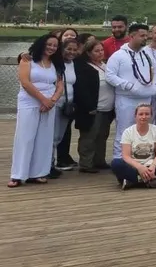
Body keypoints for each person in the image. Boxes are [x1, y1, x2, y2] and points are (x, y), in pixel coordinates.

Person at [9, 34, 64, 187]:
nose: (52, 48)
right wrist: (42, 99)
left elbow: (60, 85)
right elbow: (25, 82)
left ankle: (38, 173)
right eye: (49, 44)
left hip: (49, 104)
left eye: (55, 45)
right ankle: (18, 175)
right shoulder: (28, 60)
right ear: (41, 44)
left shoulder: (56, 63)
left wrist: (52, 101)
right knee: (25, 138)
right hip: (29, 102)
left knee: (44, 139)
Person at [107, 23, 156, 160]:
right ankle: (119, 159)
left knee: (144, 130)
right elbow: (110, 75)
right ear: (131, 36)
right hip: (126, 100)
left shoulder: (147, 55)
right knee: (124, 131)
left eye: (146, 36)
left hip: (146, 99)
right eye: (142, 36)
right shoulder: (118, 55)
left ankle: (141, 158)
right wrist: (128, 85)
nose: (145, 39)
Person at [73, 39, 114, 173]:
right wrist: (89, 106)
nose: (100, 53)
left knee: (102, 136)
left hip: (107, 108)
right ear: (89, 53)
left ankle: (99, 161)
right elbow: (82, 89)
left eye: (102, 50)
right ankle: (86, 163)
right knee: (89, 137)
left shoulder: (106, 65)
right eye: (96, 51)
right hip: (93, 109)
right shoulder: (84, 68)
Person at [111, 104, 156, 190]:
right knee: (116, 163)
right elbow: (126, 156)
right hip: (134, 167)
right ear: (135, 116)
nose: (144, 117)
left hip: (151, 166)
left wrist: (153, 166)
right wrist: (140, 167)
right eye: (141, 114)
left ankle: (134, 181)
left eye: (147, 114)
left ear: (151, 116)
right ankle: (152, 180)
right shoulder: (128, 132)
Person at [51, 38, 79, 175]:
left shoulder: (73, 64)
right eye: (69, 49)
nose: (71, 52)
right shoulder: (55, 63)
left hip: (67, 105)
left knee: (59, 136)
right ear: (62, 49)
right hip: (55, 103)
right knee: (52, 135)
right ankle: (48, 165)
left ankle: (51, 163)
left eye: (74, 49)